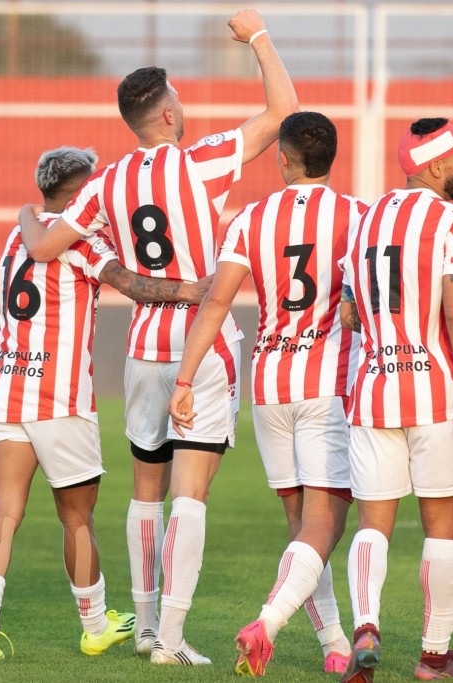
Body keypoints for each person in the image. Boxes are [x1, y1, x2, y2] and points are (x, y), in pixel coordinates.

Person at [17, 10, 298, 666]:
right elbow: (285, 111)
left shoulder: (107, 182)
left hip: (143, 350)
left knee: (146, 492)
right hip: (202, 346)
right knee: (190, 494)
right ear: (168, 112)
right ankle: (170, 639)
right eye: (180, 98)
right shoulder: (201, 162)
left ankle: (144, 627)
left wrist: (27, 215)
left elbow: (44, 246)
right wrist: (258, 37)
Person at [0, 146, 211, 661]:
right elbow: (133, 284)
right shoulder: (81, 243)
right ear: (80, 194)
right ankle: (96, 625)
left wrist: (26, 213)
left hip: (4, 386)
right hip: (60, 398)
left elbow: (34, 233)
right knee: (77, 518)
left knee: (3, 511)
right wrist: (191, 290)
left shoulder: (17, 237)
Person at [167, 111, 365, 676]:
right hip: (328, 386)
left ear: (282, 158)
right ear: (331, 157)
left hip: (271, 386)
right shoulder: (358, 216)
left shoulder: (251, 218)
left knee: (301, 526)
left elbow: (217, 301)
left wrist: (185, 380)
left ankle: (333, 644)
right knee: (325, 526)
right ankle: (267, 624)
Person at [338, 118, 453, 682]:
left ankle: (365, 627)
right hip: (434, 394)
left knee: (372, 523)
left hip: (372, 390)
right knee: (442, 527)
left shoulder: (365, 219)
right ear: (435, 167)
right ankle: (433, 657)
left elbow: (349, 313)